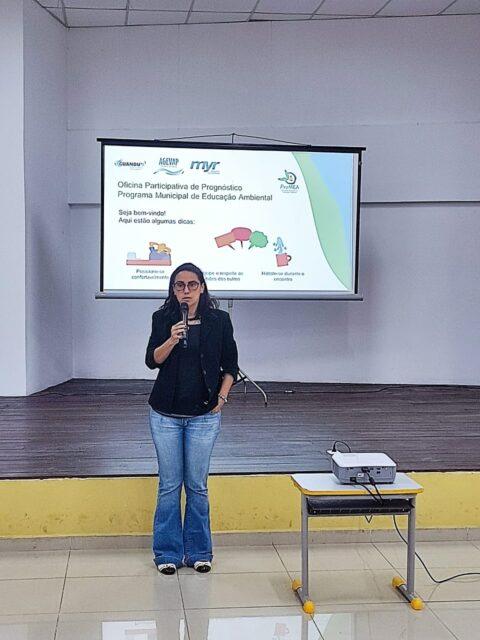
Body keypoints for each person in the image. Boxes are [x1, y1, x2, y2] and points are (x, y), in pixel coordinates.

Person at [145, 262, 238, 575]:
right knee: (170, 485)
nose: (186, 291)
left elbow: (230, 365)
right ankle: (167, 553)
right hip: (165, 416)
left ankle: (199, 551)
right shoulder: (163, 318)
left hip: (203, 417)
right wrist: (171, 339)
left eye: (192, 285)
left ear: (202, 288)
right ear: (173, 290)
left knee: (197, 486)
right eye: (180, 285)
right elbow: (152, 361)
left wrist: (221, 398)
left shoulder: (219, 321)